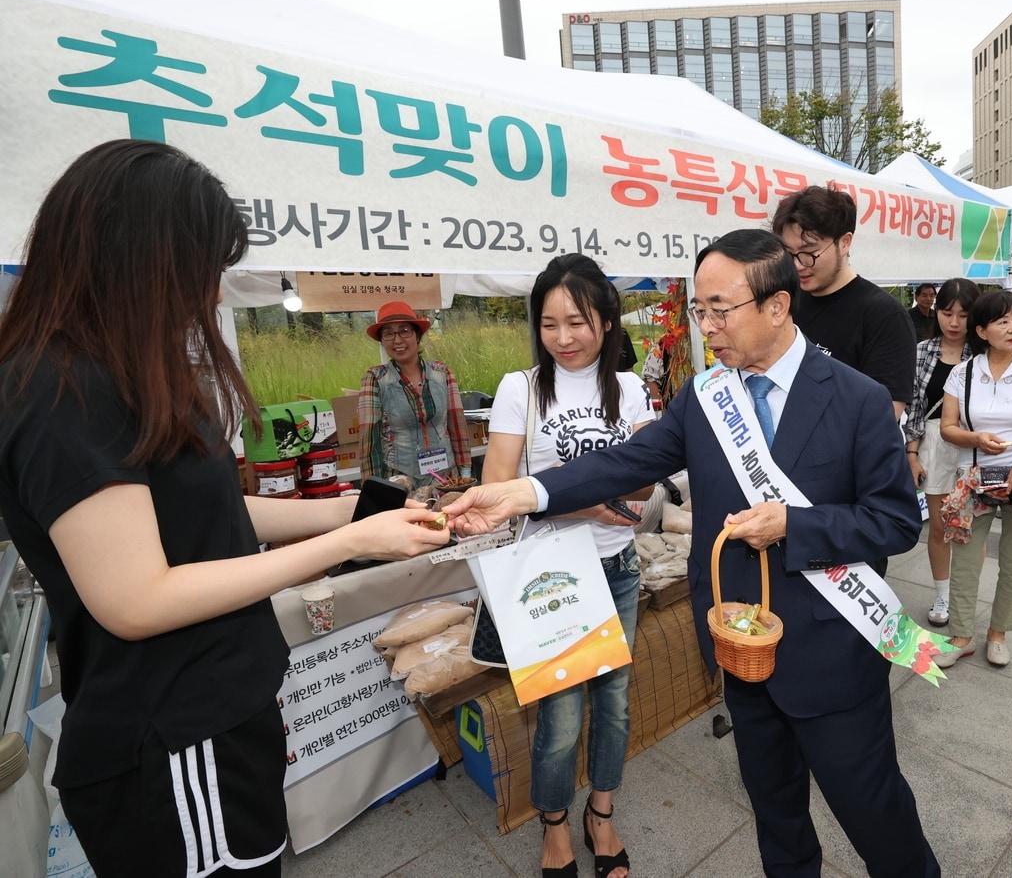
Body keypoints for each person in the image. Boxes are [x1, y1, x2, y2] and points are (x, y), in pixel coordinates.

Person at [0, 140, 449, 878]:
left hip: (217, 715)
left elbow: (206, 511)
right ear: (140, 257)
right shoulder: (60, 392)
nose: (208, 294)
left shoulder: (120, 369)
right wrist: (349, 543)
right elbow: (136, 598)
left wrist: (346, 514)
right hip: (175, 739)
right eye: (201, 270)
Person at [446, 229, 940, 878]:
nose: (705, 326)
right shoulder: (708, 397)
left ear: (777, 305)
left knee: (875, 812)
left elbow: (895, 520)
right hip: (739, 649)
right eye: (698, 310)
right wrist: (522, 491)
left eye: (719, 308)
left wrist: (795, 522)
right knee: (777, 815)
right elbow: (626, 460)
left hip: (833, 654)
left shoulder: (858, 400)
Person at [482, 254, 654, 878]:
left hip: (618, 571)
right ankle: (555, 824)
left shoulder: (630, 389)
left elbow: (645, 486)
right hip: (552, 578)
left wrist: (613, 503)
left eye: (577, 321)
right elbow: (498, 486)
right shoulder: (518, 389)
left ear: (606, 321)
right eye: (549, 324)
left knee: (615, 706)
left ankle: (600, 814)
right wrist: (585, 500)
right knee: (559, 717)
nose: (564, 337)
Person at [933, 290, 1012, 669]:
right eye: (1003, 321)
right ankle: (960, 636)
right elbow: (947, 428)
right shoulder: (963, 373)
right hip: (974, 480)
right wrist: (975, 439)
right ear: (982, 330)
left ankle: (999, 633)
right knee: (966, 560)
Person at [773, 185, 917, 419]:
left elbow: (884, 414)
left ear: (844, 242)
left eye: (809, 251)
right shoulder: (787, 301)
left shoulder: (885, 316)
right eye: (789, 253)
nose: (798, 265)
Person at [903, 277, 979, 626]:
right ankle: (943, 596)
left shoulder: (983, 355)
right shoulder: (922, 352)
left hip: (975, 449)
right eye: (946, 313)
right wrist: (912, 454)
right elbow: (916, 406)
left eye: (962, 315)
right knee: (939, 526)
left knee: (971, 529)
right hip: (934, 444)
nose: (953, 322)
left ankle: (965, 595)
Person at [357, 301, 473, 488]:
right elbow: (369, 440)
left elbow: (457, 425)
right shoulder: (376, 378)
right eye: (388, 334)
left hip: (446, 479)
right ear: (382, 341)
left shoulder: (442, 372)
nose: (397, 340)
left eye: (404, 331)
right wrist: (372, 487)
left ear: (417, 335)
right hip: (401, 480)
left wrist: (465, 472)